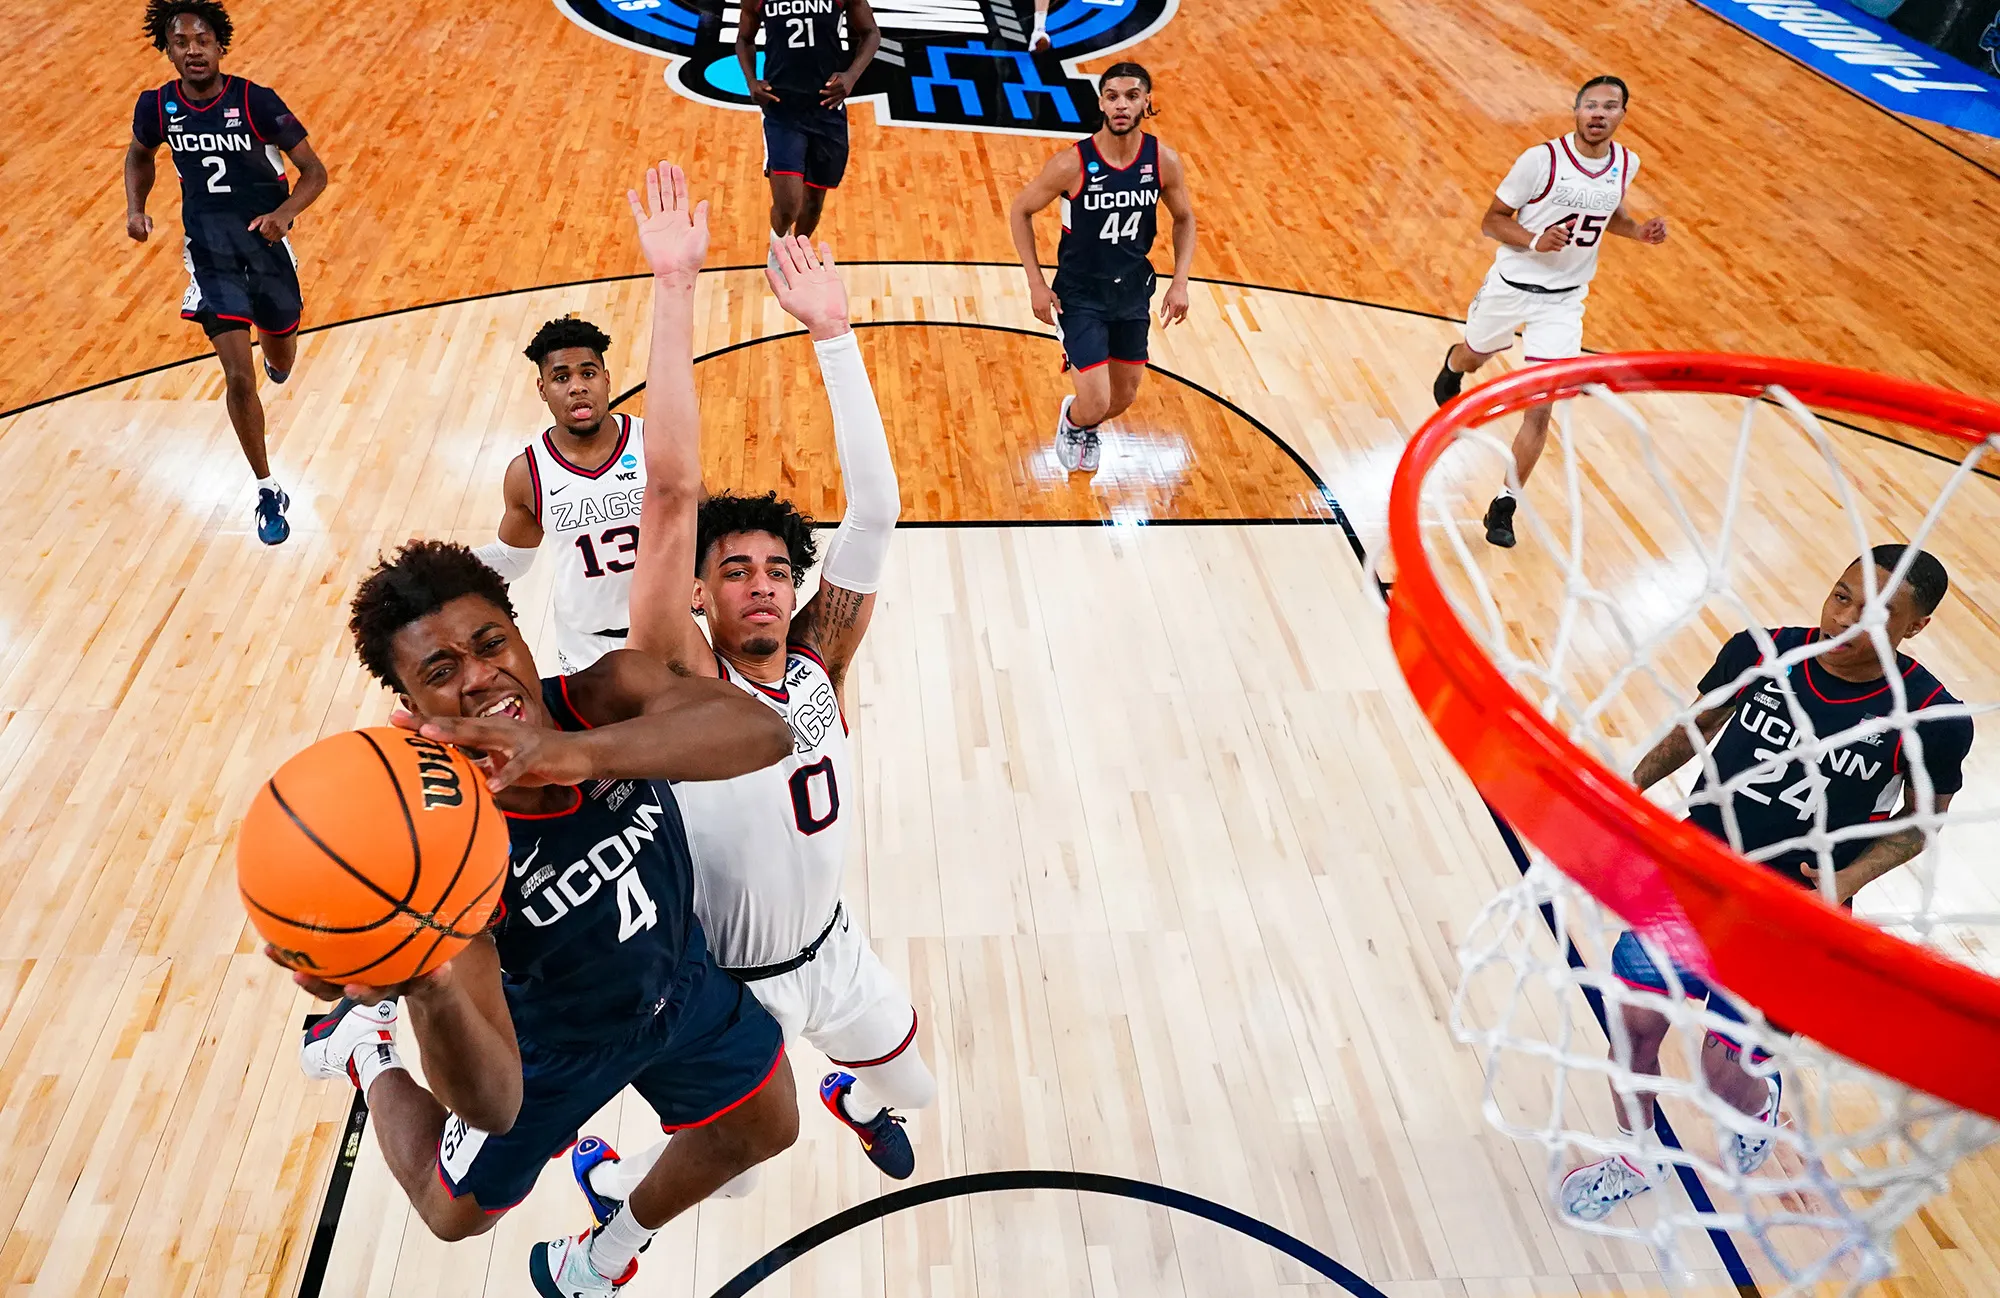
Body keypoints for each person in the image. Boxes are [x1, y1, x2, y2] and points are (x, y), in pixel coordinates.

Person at [286, 163, 808, 1298]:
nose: (480, 678)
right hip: (549, 1048)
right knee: (447, 1211)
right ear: (409, 704)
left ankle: (603, 1249)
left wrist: (572, 752)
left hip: (675, 979)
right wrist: (419, 984)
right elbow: (493, 1101)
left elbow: (756, 733)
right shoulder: (435, 839)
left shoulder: (602, 689)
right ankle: (362, 1050)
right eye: (441, 671)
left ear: (521, 635)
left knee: (765, 1122)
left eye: (489, 643)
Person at [558, 167, 935, 1225]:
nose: (761, 579)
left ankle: (851, 1096)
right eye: (733, 568)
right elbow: (670, 488)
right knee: (739, 1171)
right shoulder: (678, 686)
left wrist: (834, 337)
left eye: (776, 564)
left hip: (836, 948)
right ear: (694, 594)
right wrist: (672, 288)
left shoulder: (822, 659)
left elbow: (879, 509)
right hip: (732, 983)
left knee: (915, 1085)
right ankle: (605, 1180)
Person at [1561, 546, 1974, 1222]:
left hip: (1792, 921)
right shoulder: (1760, 651)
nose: (1845, 618)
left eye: (1875, 612)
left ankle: (1759, 1100)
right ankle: (1635, 1154)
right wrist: (1632, 786)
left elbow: (1920, 823)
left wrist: (1850, 876)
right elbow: (1697, 725)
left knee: (1727, 1081)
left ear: (1916, 627)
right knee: (1633, 1027)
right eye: (1841, 596)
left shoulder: (1932, 716)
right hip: (1694, 880)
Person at [1431, 76, 1667, 548]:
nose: (1599, 114)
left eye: (1611, 107)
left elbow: (1609, 216)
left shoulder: (1626, 163)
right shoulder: (1540, 161)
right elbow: (1492, 220)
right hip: (1511, 286)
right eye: (1592, 106)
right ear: (1577, 111)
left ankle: (1505, 504)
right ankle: (1453, 364)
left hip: (1563, 301)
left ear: (1623, 115)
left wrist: (1637, 232)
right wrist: (1536, 240)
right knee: (1474, 354)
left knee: (1540, 407)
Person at [125, 0, 328, 545]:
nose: (192, 50)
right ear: (168, 50)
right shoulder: (158, 106)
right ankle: (267, 489)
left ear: (219, 46)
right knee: (239, 375)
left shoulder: (256, 101)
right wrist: (135, 207)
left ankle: (279, 359)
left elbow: (315, 172)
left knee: (279, 353)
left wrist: (284, 215)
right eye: (181, 42)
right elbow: (139, 155)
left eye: (201, 40)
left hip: (265, 248)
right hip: (210, 254)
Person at [1008, 62, 1196, 475]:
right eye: (1112, 96)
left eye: (1132, 95)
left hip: (1131, 290)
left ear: (1147, 101)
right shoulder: (1072, 164)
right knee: (1094, 401)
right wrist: (1036, 284)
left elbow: (1185, 218)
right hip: (1080, 293)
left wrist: (1180, 281)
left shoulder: (1163, 161)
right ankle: (1076, 422)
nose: (1122, 105)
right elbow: (1020, 210)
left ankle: (1087, 419)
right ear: (1101, 104)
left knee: (1122, 398)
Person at [473, 317, 646, 674]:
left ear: (607, 378)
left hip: (665, 631)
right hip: (585, 645)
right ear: (542, 388)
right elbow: (512, 559)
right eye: (562, 377)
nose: (577, 387)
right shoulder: (527, 473)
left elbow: (705, 525)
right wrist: (442, 566)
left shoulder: (654, 442)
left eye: (588, 373)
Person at [737, 0, 880, 240]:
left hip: (827, 108)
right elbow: (744, 39)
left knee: (813, 203)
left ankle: (797, 252)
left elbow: (871, 32)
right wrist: (751, 81)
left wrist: (851, 76)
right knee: (787, 207)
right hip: (783, 109)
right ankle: (779, 249)